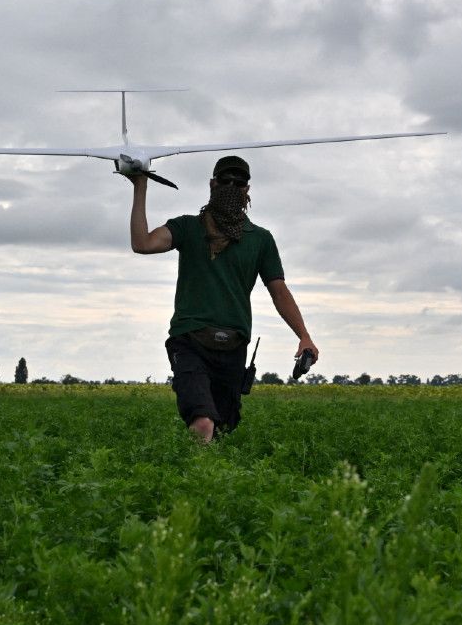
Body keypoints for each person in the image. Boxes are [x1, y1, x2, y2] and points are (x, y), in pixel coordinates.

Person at [127, 155, 319, 443]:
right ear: (212, 184)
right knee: (203, 423)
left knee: (222, 433)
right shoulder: (188, 228)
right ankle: (194, 484)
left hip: (233, 347)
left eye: (238, 183)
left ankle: (202, 480)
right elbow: (142, 243)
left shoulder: (260, 239)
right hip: (190, 341)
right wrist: (140, 184)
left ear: (247, 191)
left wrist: (304, 335)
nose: (231, 187)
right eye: (225, 181)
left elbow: (279, 290)